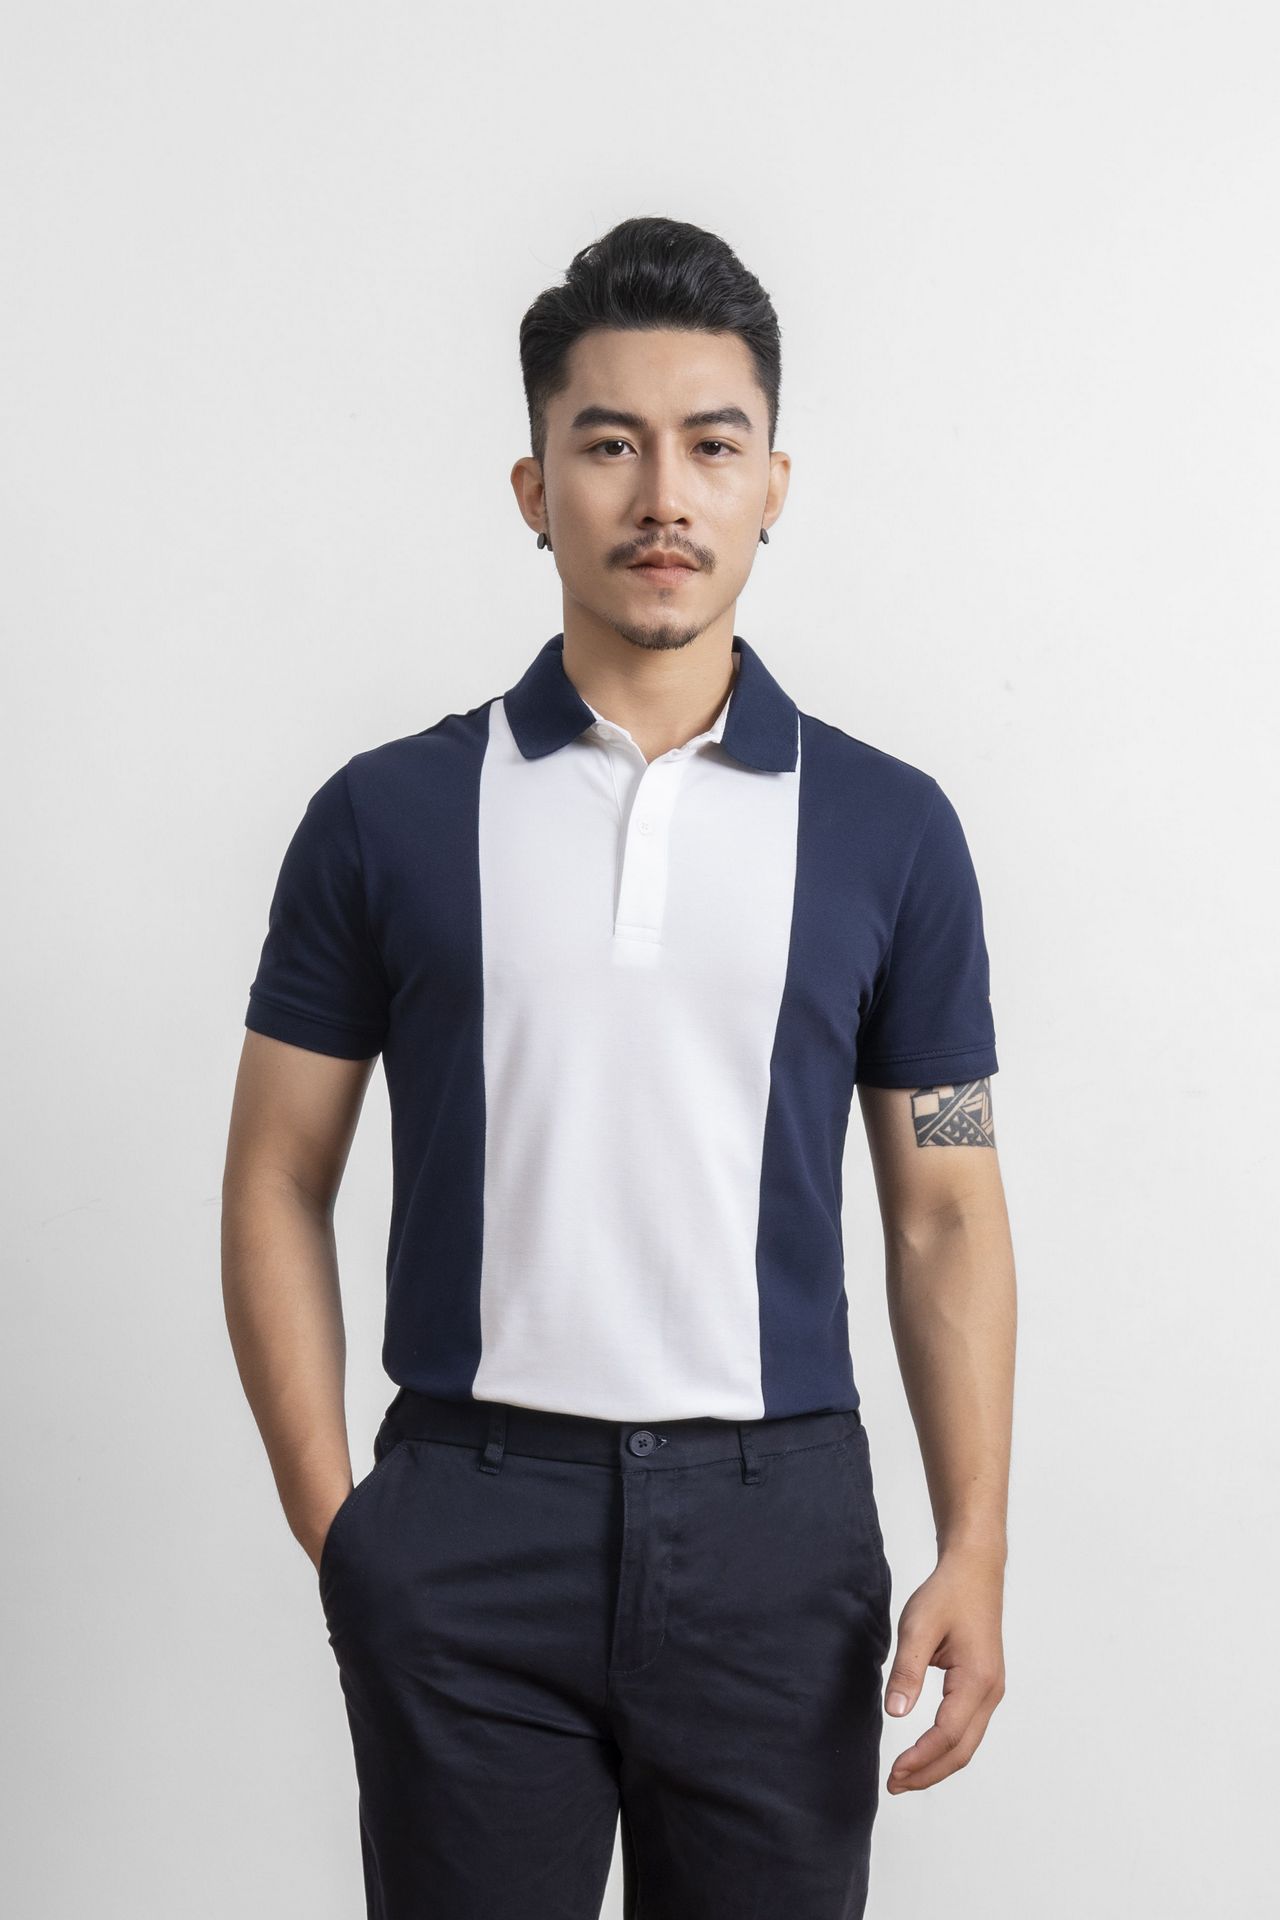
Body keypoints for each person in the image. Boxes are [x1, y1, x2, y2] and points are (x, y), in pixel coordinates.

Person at [222, 213, 1015, 1920]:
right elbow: (277, 1173)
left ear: (773, 484)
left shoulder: (890, 831)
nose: (665, 496)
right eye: (610, 446)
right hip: (467, 1521)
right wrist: (340, 1525)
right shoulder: (387, 817)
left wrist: (977, 1542)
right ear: (535, 488)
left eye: (712, 447)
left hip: (780, 1531)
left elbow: (945, 1203)